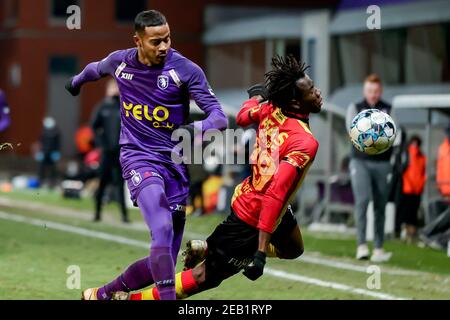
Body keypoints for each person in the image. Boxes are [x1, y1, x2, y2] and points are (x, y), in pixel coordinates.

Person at [111, 55, 322, 300]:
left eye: (314, 87)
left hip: (265, 202)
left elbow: (244, 117)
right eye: (311, 91)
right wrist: (261, 252)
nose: (318, 93)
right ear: (296, 103)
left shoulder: (269, 109)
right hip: (253, 217)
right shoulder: (305, 143)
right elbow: (275, 194)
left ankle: (209, 247)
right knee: (204, 277)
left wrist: (255, 97)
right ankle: (131, 299)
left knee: (294, 248)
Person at [65, 10, 227, 300]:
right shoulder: (120, 61)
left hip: (175, 165)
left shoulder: (186, 70)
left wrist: (197, 129)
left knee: (162, 261)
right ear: (138, 41)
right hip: (138, 157)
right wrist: (75, 82)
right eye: (156, 42)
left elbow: (219, 117)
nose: (163, 47)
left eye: (167, 39)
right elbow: (95, 68)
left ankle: (102, 295)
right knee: (161, 227)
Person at [345, 74, 393, 262]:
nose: (373, 94)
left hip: (382, 163)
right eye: (370, 91)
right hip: (360, 162)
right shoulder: (355, 108)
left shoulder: (388, 109)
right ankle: (362, 245)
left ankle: (379, 248)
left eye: (376, 91)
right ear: (365, 91)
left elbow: (394, 135)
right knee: (362, 201)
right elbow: (352, 133)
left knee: (380, 206)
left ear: (380, 91)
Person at [91, 79, 129, 223]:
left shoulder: (125, 106)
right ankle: (97, 213)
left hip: (121, 152)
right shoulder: (102, 107)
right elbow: (94, 126)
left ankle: (124, 215)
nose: (115, 89)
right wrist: (101, 144)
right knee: (102, 182)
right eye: (112, 87)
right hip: (107, 152)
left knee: (120, 184)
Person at [397, 135, 426, 243]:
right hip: (408, 189)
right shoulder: (407, 154)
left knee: (413, 213)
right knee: (406, 213)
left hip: (416, 190)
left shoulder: (422, 157)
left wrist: (420, 185)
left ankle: (411, 235)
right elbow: (405, 172)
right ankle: (404, 233)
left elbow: (422, 174)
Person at [36, 117, 61, 189]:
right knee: (41, 168)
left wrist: (57, 152)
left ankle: (52, 183)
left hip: (52, 153)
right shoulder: (43, 132)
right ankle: (40, 182)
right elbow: (40, 142)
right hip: (44, 152)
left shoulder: (56, 133)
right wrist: (40, 152)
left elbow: (58, 144)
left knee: (52, 169)